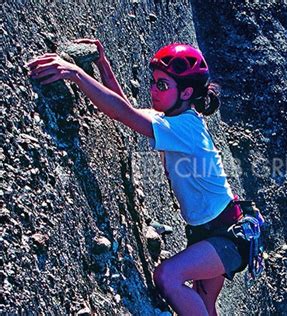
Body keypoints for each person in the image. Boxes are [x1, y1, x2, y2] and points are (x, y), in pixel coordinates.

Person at [27, 40, 251, 316]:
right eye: (154, 82)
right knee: (203, 305)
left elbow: (123, 113)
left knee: (167, 277)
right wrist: (104, 67)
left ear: (187, 92)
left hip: (224, 234)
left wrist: (74, 73)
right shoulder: (175, 120)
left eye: (163, 85)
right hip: (214, 229)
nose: (154, 91)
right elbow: (125, 109)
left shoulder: (184, 129)